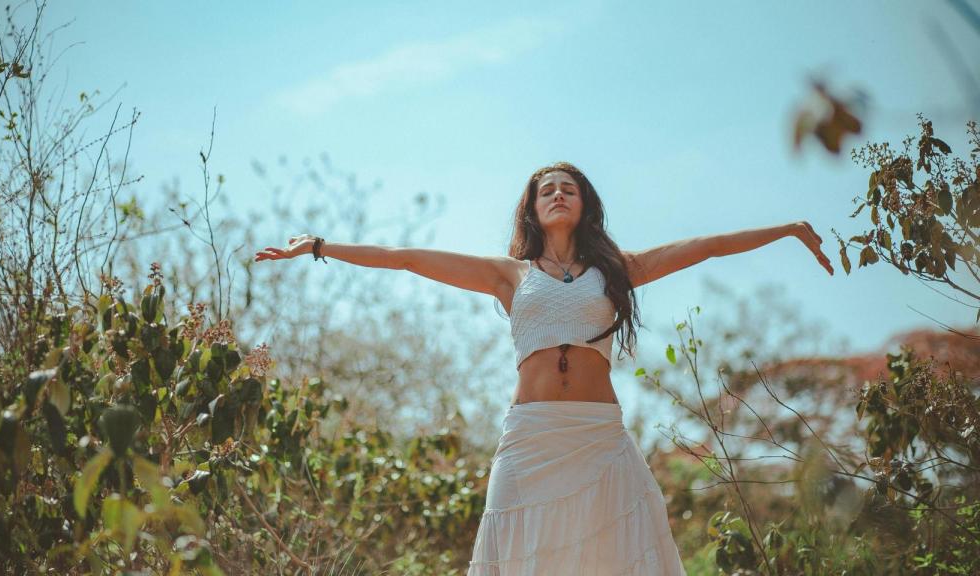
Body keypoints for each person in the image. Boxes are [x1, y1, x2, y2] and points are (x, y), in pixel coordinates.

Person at [254, 161, 834, 575]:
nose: (558, 195)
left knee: (616, 557)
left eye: (569, 189)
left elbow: (705, 246)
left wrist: (784, 230)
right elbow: (405, 258)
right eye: (546, 190)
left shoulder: (617, 270)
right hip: (531, 437)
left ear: (585, 205)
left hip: (597, 436)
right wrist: (320, 246)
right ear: (532, 208)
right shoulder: (508, 274)